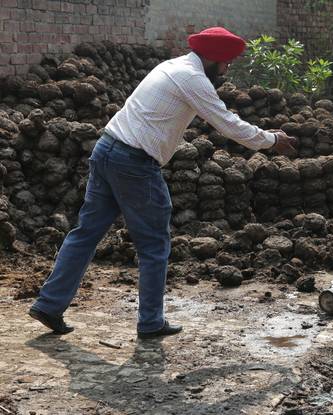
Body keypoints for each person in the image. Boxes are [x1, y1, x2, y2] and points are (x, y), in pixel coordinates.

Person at [28, 27, 298, 339]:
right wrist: (272, 139)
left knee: (86, 233)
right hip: (133, 161)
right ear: (212, 58)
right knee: (155, 243)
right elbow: (228, 124)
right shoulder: (193, 79)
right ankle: (151, 321)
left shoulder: (171, 66)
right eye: (226, 64)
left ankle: (49, 304)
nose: (226, 70)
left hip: (107, 148)